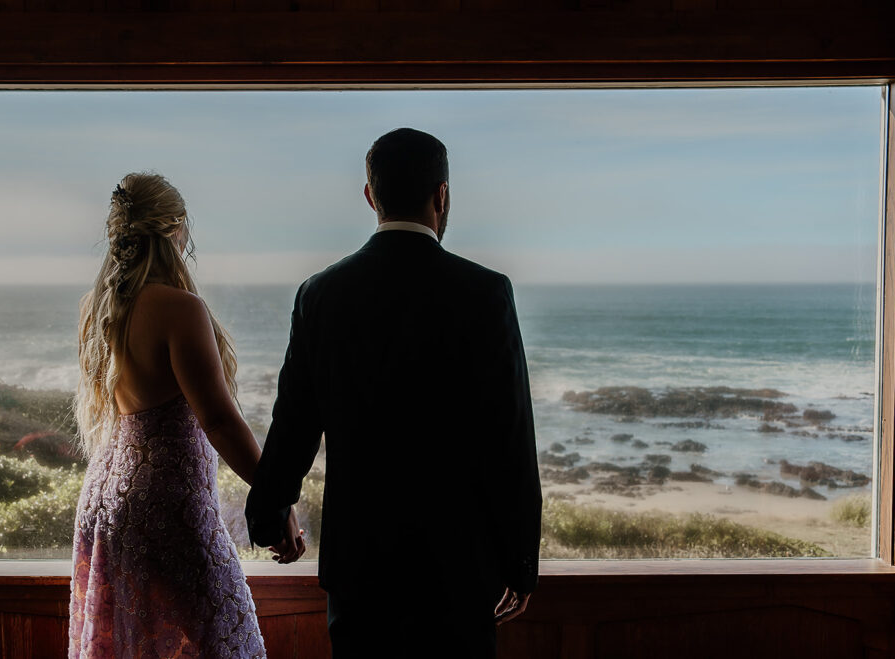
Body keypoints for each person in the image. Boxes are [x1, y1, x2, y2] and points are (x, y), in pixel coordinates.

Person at [245, 128, 543, 659]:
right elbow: (511, 435)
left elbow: (293, 422)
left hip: (361, 566)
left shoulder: (321, 294)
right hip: (458, 566)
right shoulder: (485, 292)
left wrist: (269, 515)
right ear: (442, 195)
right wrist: (520, 562)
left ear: (370, 196)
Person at [69, 173, 285, 658]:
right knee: (219, 642)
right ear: (177, 230)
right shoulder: (180, 308)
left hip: (107, 500)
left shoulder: (98, 309)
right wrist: (276, 498)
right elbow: (221, 421)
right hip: (163, 507)